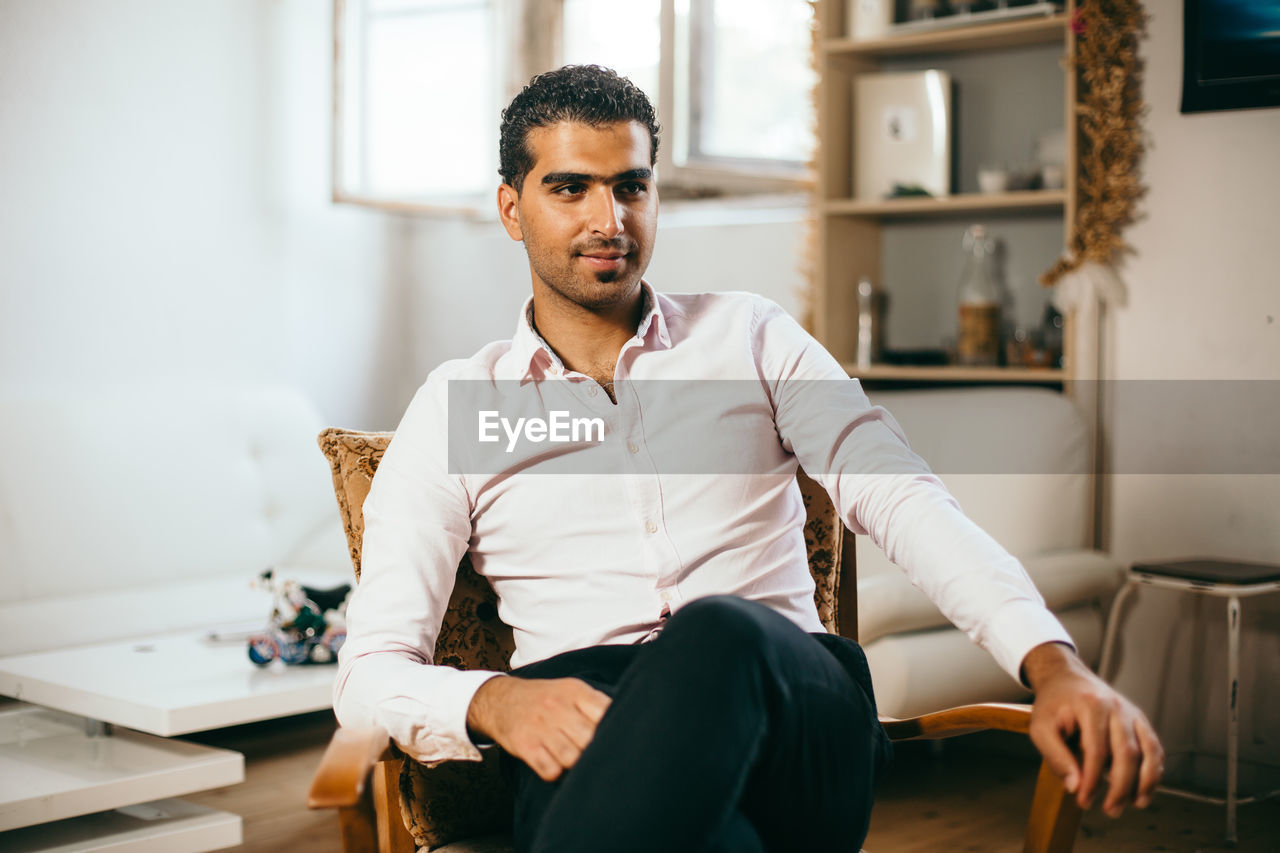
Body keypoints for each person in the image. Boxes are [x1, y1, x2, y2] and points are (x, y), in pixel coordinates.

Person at [335, 65, 1163, 853]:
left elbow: (901, 499)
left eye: (631, 185)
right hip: (586, 732)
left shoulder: (750, 337)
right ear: (512, 209)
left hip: (791, 707)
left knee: (719, 628)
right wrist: (497, 699)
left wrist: (1050, 663)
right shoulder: (459, 404)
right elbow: (368, 671)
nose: (609, 220)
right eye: (570, 188)